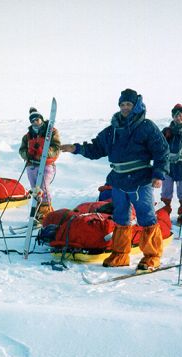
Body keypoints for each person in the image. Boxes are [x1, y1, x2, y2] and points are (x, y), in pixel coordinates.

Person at [60, 89, 169, 270]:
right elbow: (96, 149)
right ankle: (120, 254)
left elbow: (161, 151)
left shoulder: (146, 127)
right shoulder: (112, 130)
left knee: (146, 217)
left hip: (140, 180)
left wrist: (159, 174)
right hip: (118, 181)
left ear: (136, 106)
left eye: (129, 104)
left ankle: (152, 256)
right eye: (122, 104)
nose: (125, 108)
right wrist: (76, 148)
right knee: (121, 218)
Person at [18, 107, 61, 220]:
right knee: (35, 190)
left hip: (46, 164)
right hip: (32, 165)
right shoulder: (27, 136)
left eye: (37, 119)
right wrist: (27, 154)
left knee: (43, 188)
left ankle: (46, 213)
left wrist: (45, 151)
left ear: (41, 119)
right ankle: (38, 211)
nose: (35, 122)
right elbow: (21, 150)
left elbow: (57, 148)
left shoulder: (51, 132)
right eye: (32, 120)